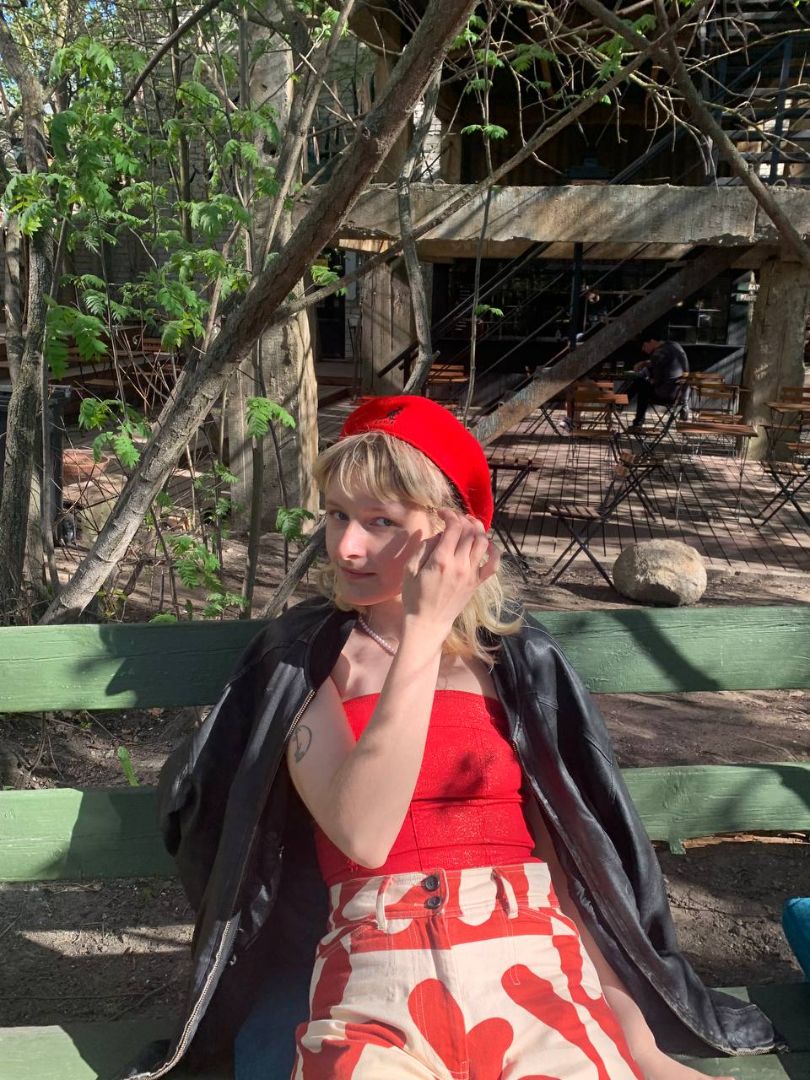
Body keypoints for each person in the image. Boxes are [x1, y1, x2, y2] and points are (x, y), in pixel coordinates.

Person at [136, 396, 778, 1080]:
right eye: (337, 516)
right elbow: (363, 833)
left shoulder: (513, 665)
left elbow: (571, 874)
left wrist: (638, 1044)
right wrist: (420, 632)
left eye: (379, 522)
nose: (346, 546)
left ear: (450, 532)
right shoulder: (306, 661)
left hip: (532, 957)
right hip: (374, 976)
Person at [629, 335, 691, 431]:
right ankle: (620, 403)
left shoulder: (658, 353)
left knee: (641, 384)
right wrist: (645, 363)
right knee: (642, 384)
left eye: (644, 346)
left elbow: (657, 381)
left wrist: (649, 378)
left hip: (667, 394)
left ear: (652, 341)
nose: (643, 350)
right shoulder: (674, 345)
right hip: (681, 394)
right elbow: (664, 362)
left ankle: (637, 422)